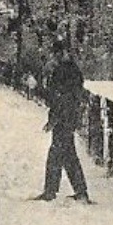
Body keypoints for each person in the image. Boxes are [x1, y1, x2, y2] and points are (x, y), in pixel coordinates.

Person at [34, 39, 91, 202]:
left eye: (57, 53)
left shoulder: (64, 71)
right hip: (67, 117)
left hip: (64, 118)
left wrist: (37, 88)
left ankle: (52, 191)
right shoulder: (71, 70)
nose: (55, 56)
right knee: (66, 154)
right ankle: (78, 191)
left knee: (58, 154)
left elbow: (58, 97)